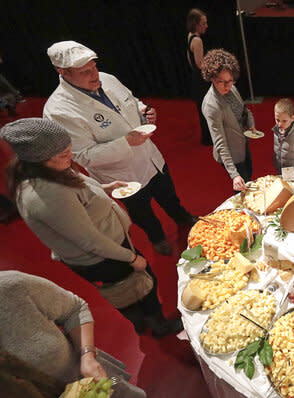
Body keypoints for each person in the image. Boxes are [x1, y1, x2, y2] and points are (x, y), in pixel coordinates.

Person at [1, 118, 183, 338]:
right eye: (62, 155)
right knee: (138, 286)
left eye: (69, 150)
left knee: (132, 287)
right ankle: (157, 326)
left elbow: (79, 187)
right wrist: (132, 258)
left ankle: (143, 322)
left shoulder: (52, 168)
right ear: (37, 160)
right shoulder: (47, 194)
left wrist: (105, 187)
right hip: (100, 256)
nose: (70, 157)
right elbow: (89, 241)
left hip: (109, 245)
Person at [43, 40, 195, 256]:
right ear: (63, 72)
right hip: (122, 174)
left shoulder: (107, 79)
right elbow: (83, 156)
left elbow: (131, 101)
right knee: (141, 212)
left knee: (168, 194)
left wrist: (145, 110)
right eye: (85, 72)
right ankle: (157, 238)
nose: (94, 75)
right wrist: (125, 143)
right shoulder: (59, 111)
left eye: (94, 66)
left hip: (150, 157)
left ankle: (183, 218)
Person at [0, 270, 146, 397]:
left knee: (118, 387)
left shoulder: (11, 287)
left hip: (95, 383)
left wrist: (87, 356)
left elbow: (74, 309)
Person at [201, 49, 257, 192]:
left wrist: (250, 124)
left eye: (230, 81)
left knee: (249, 177)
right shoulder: (211, 106)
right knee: (242, 188)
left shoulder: (232, 89)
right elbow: (220, 142)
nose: (227, 86)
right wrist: (234, 175)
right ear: (212, 78)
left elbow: (245, 111)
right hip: (231, 153)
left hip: (243, 145)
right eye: (222, 82)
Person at [187, 8, 212, 146]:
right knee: (207, 109)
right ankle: (208, 138)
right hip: (201, 79)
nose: (206, 26)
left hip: (196, 78)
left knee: (204, 108)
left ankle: (208, 137)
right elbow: (200, 64)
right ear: (196, 24)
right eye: (203, 23)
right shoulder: (197, 41)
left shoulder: (190, 36)